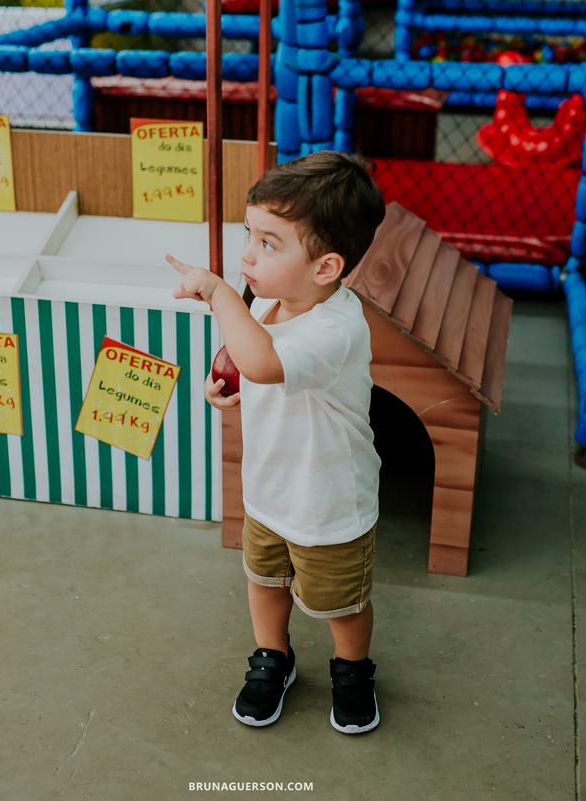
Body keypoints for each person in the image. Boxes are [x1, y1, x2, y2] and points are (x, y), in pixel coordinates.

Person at [168, 150, 386, 734]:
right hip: (269, 490)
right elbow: (247, 361)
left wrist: (217, 294)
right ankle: (274, 657)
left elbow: (263, 362)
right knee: (264, 581)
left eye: (268, 243)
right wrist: (223, 385)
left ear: (325, 267)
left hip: (329, 503)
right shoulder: (267, 301)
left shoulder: (337, 327)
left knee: (342, 603)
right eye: (248, 234)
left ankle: (352, 667)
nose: (246, 254)